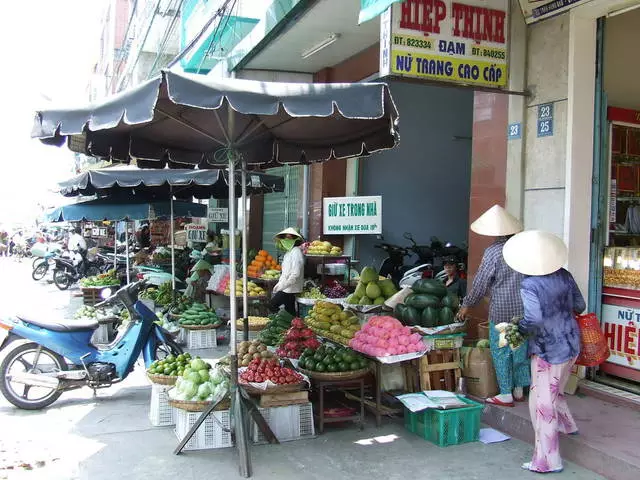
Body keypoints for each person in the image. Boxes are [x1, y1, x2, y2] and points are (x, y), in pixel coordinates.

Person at [502, 230, 584, 474]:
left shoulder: (530, 284)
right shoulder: (565, 276)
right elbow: (580, 305)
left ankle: (548, 460)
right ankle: (568, 426)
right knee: (555, 390)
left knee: (542, 403)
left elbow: (533, 319)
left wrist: (520, 328)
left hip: (548, 350)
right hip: (571, 343)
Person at [457, 205, 530, 406]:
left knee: (502, 350)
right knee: (519, 348)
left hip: (502, 311)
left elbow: (481, 282)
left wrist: (467, 304)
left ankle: (505, 392)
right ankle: (519, 388)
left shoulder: (493, 251)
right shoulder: (523, 248)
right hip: (524, 309)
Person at [270, 228, 305, 316]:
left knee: (272, 304)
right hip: (287, 287)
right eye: (285, 238)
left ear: (295, 239)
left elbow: (295, 273)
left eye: (289, 238)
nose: (286, 240)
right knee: (290, 311)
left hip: (291, 288)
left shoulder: (296, 252)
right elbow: (285, 272)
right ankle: (292, 327)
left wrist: (283, 285)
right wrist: (280, 283)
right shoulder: (289, 252)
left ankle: (280, 322)